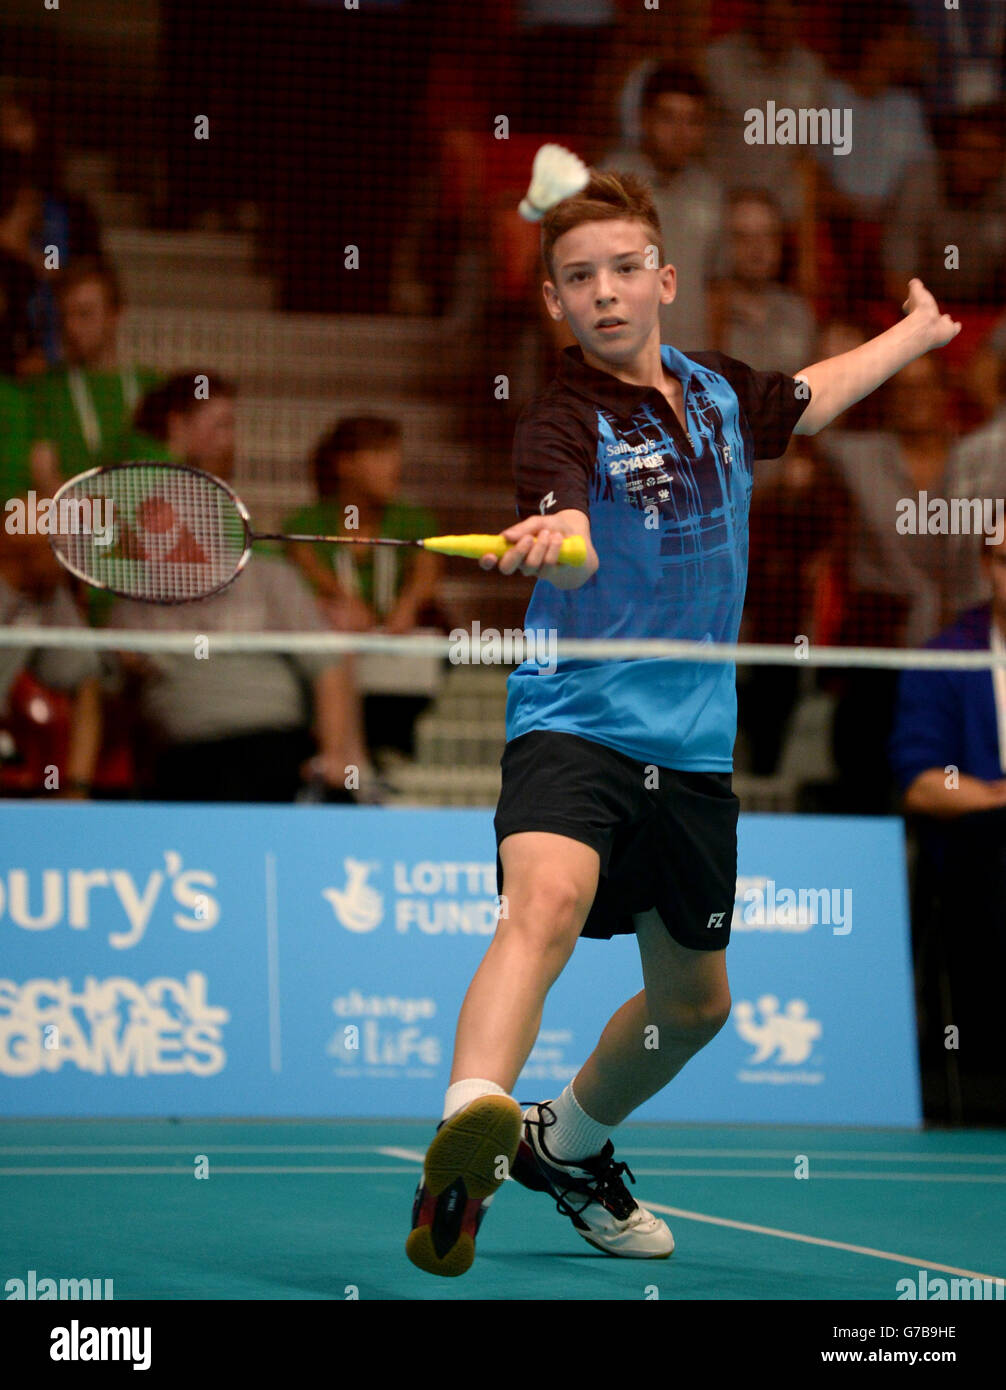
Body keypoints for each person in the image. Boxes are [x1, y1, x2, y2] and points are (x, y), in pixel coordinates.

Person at [405, 168, 962, 1276]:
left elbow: (808, 395)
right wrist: (553, 539)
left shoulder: (713, 390)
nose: (603, 292)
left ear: (664, 278)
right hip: (576, 721)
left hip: (693, 747)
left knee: (693, 1007)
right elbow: (572, 529)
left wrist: (912, 334)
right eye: (577, 279)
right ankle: (470, 1120)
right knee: (546, 905)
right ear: (555, 306)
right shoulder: (562, 420)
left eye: (621, 269)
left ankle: (562, 1140)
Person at [106, 372, 376, 802]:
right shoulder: (133, 605)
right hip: (184, 756)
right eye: (149, 517)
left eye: (172, 515)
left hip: (271, 745)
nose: (155, 529)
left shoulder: (269, 580)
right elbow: (112, 690)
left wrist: (336, 757)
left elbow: (326, 662)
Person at [888, 533, 1006, 1121]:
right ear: (988, 566)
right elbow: (925, 782)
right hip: (982, 845)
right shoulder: (948, 656)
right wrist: (991, 795)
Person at [284, 415, 445, 760]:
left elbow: (427, 574)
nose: (395, 466)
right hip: (334, 660)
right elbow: (307, 577)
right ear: (345, 464)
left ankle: (385, 758)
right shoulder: (305, 525)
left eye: (396, 455)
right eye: (380, 455)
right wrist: (341, 604)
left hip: (401, 660)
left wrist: (409, 604)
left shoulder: (412, 520)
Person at [598, 65, 724, 352]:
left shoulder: (711, 192)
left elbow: (717, 289)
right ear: (643, 119)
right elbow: (552, 272)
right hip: (616, 366)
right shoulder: (607, 186)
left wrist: (711, 369)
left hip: (685, 367)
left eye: (693, 120)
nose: (681, 133)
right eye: (668, 118)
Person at [27, 258, 162, 491]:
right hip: (73, 520)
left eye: (84, 314)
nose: (71, 326)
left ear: (115, 314)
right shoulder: (48, 387)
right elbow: (43, 473)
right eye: (65, 315)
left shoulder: (152, 385)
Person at [708, 188, 816, 376]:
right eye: (743, 237)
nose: (757, 248)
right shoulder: (706, 313)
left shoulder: (798, 313)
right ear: (724, 243)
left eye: (768, 236)